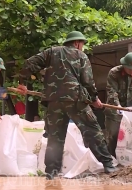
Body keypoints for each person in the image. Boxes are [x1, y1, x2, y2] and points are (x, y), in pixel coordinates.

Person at [16, 31, 118, 180]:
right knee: (92, 130)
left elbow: (29, 64)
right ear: (77, 43)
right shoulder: (81, 56)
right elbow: (88, 80)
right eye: (82, 44)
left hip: (53, 101)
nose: (82, 47)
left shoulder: (51, 52)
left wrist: (22, 83)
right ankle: (108, 164)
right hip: (75, 100)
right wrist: (95, 98)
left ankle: (51, 172)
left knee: (55, 137)